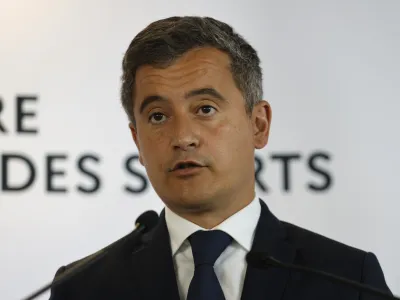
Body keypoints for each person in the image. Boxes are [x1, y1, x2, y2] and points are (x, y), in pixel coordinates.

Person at [49, 16, 392, 300]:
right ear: (137, 140)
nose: (183, 137)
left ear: (258, 125)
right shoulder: (83, 287)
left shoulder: (347, 280)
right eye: (157, 116)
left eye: (205, 109)